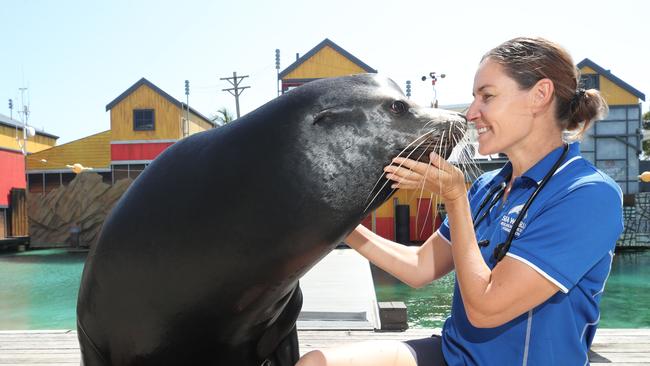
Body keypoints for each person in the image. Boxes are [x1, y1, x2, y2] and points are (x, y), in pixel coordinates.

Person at [296, 37, 623, 366]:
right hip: (455, 355)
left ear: (539, 95)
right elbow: (419, 267)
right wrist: (336, 223)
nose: (471, 114)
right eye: (473, 98)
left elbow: (486, 309)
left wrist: (454, 197)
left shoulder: (588, 196)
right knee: (316, 362)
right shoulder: (488, 187)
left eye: (487, 96)